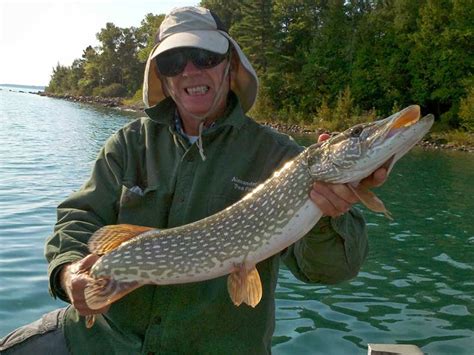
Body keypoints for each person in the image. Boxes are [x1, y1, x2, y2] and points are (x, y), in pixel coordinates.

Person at [0, 6, 386, 354]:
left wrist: (330, 216)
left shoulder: (278, 158)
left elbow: (331, 270)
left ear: (229, 66)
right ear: (163, 78)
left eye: (204, 56)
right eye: (173, 62)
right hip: (103, 342)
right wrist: (70, 275)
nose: (190, 70)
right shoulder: (129, 144)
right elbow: (78, 218)